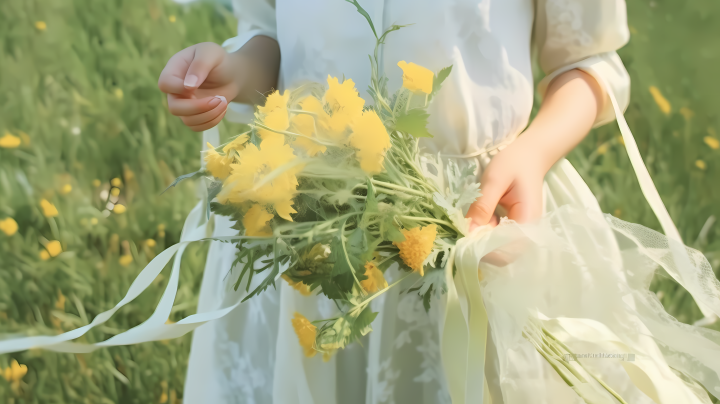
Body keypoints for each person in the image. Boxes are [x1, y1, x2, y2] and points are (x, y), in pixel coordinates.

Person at [156, 1, 720, 403]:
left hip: (476, 220)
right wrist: (235, 72)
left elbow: (589, 63)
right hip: (315, 220)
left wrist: (532, 153)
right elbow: (269, 39)